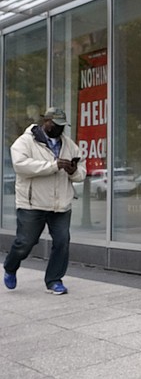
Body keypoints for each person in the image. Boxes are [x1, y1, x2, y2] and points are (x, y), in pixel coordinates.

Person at [3, 107, 86, 294]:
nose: (59, 129)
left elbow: (82, 172)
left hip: (61, 204)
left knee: (62, 242)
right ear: (46, 121)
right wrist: (53, 165)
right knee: (25, 243)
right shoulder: (25, 142)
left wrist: (74, 171)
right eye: (56, 125)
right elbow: (20, 165)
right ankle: (10, 266)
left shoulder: (69, 145)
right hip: (33, 204)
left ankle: (54, 280)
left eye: (62, 126)